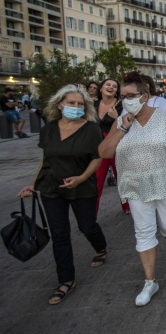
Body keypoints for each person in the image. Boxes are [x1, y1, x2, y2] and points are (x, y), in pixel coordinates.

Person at [98, 72, 166, 306]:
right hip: (135, 185)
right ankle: (150, 281)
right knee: (143, 232)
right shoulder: (121, 122)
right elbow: (104, 152)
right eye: (121, 97)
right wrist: (123, 128)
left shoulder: (165, 117)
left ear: (144, 97)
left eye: (130, 96)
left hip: (165, 181)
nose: (125, 100)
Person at [18, 84, 107, 305]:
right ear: (60, 105)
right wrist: (32, 184)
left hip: (82, 186)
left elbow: (98, 157)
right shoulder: (49, 129)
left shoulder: (91, 129)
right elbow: (45, 160)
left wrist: (82, 177)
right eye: (71, 103)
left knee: (87, 225)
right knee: (60, 234)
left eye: (80, 104)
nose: (76, 107)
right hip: (51, 187)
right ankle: (66, 280)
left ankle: (101, 247)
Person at [94, 78, 129, 214]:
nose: (111, 87)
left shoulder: (122, 106)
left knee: (122, 178)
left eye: (114, 86)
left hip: (117, 145)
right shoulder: (92, 105)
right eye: (108, 84)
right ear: (101, 88)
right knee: (96, 180)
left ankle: (127, 206)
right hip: (98, 146)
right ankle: (92, 211)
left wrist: (116, 118)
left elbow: (127, 125)